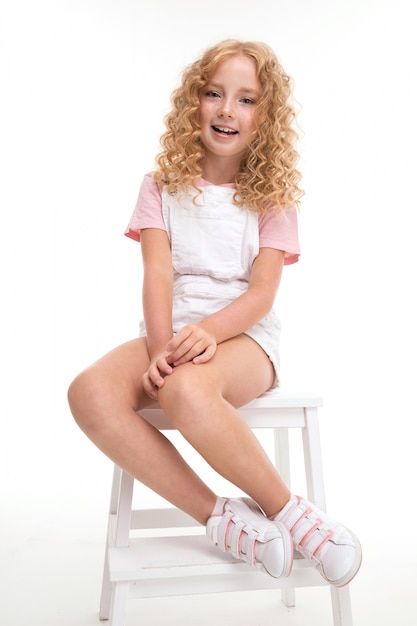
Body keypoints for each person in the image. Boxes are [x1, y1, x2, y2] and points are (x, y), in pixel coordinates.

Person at [68, 39, 361, 586]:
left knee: (184, 390)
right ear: (192, 103)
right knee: (89, 392)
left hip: (244, 339)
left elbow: (261, 294)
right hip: (172, 334)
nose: (227, 109)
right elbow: (157, 274)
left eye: (247, 100)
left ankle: (289, 513)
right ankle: (220, 516)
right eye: (214, 94)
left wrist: (208, 333)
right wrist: (160, 349)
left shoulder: (272, 198)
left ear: (265, 119)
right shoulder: (159, 187)